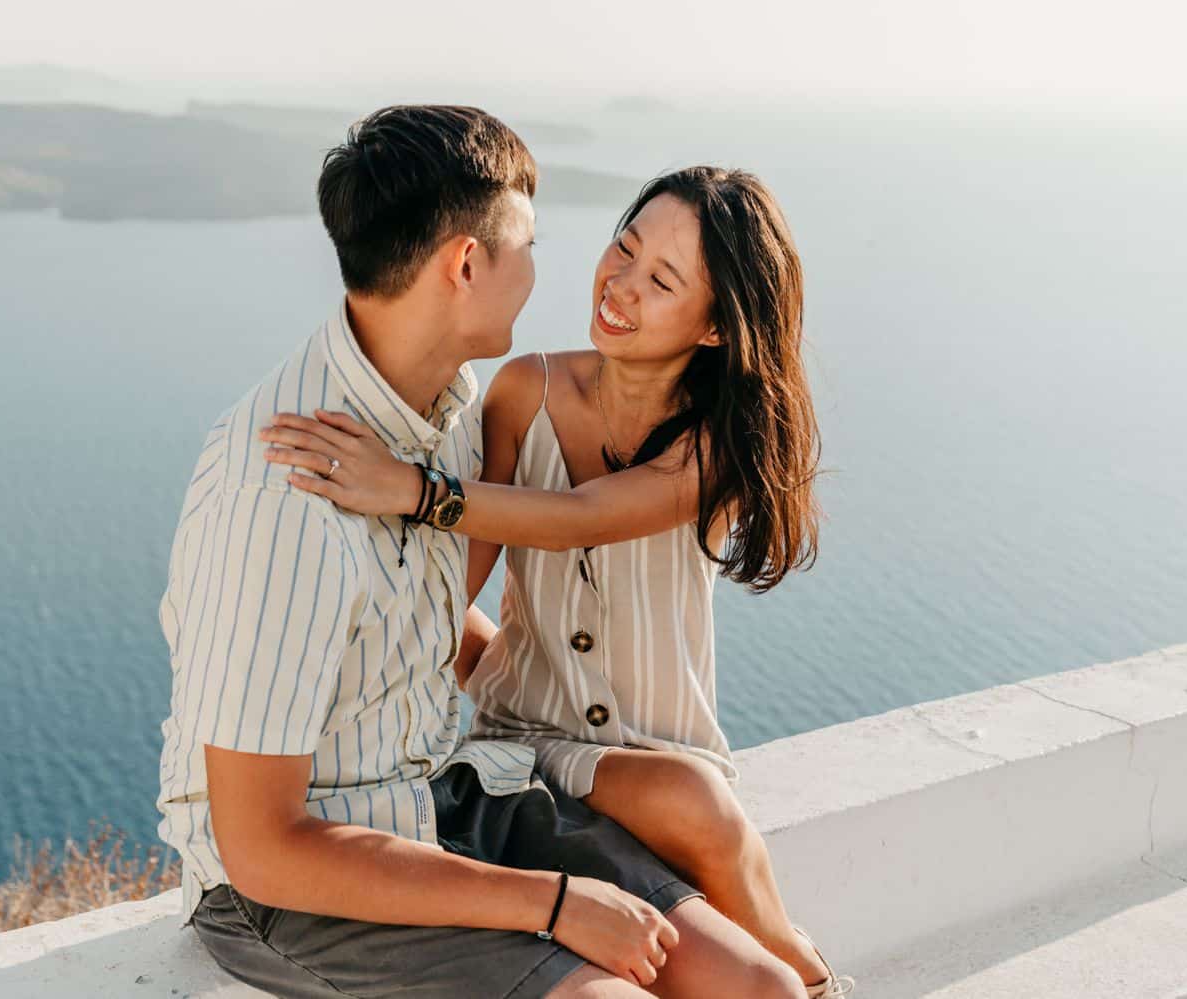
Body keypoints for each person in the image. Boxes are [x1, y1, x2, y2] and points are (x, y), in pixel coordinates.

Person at [155, 106, 807, 999]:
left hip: (443, 796)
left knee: (763, 988)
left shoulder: (450, 409)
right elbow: (264, 851)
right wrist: (554, 902)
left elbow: (458, 583)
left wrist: (439, 541)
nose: (580, 276)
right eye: (529, 246)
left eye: (659, 277)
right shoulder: (282, 497)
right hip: (300, 881)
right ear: (467, 264)